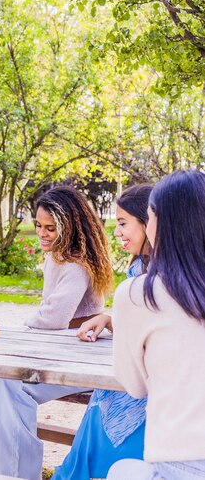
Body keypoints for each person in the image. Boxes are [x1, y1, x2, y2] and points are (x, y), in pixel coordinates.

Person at [0, 185, 113, 480]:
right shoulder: (55, 257)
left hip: (80, 354)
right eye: (38, 225)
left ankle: (17, 473)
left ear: (69, 229)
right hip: (57, 349)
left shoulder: (76, 265)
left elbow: (54, 317)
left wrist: (21, 324)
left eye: (51, 228)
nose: (43, 233)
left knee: (11, 384)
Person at [107, 170, 205, 480]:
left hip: (181, 462)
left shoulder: (138, 294)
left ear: (158, 223)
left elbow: (134, 385)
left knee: (120, 472)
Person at [52, 184, 153, 480]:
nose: (117, 232)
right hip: (122, 376)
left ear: (148, 222)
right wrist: (108, 319)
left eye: (123, 223)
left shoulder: (167, 274)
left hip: (147, 387)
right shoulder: (139, 266)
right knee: (104, 395)